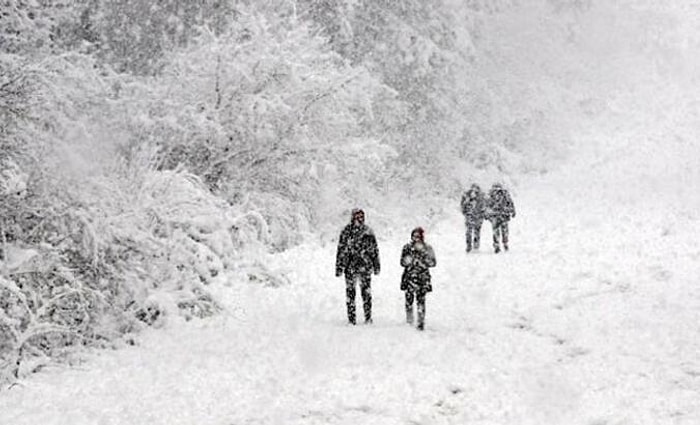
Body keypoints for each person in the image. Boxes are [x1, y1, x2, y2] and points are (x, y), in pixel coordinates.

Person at [335, 208, 380, 325]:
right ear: (352, 217)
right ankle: (351, 319)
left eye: (361, 217)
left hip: (365, 266)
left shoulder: (368, 232)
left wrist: (376, 265)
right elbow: (341, 250)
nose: (359, 219)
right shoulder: (346, 231)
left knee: (366, 294)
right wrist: (339, 267)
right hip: (350, 267)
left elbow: (374, 250)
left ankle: (368, 317)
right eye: (357, 216)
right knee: (350, 293)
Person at [400, 227, 436, 331]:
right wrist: (409, 261)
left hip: (422, 278)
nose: (416, 238)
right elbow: (402, 262)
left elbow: (433, 263)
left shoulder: (427, 248)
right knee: (409, 300)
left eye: (418, 236)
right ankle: (409, 320)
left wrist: (423, 262)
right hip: (409, 277)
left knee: (421, 300)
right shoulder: (407, 248)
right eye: (414, 236)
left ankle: (421, 322)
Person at [485, 183, 516, 253]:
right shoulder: (505, 194)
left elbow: (486, 206)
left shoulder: (490, 194)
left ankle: (497, 245)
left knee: (496, 231)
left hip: (495, 215)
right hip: (503, 215)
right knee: (504, 231)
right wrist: (513, 211)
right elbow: (510, 203)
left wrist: (486, 214)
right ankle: (504, 243)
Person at [460, 183, 486, 252]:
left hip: (469, 215)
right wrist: (483, 214)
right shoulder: (481, 195)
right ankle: (476, 245)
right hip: (478, 216)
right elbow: (484, 206)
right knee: (477, 231)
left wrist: (465, 212)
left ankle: (469, 245)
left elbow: (462, 205)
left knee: (469, 231)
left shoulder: (466, 195)